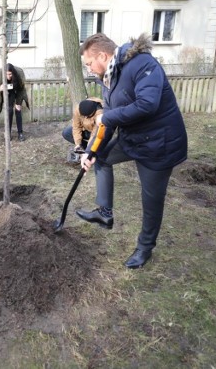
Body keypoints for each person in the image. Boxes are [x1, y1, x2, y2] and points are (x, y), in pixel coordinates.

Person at [76, 33, 187, 269]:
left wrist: (108, 117)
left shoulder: (142, 64)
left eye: (88, 64)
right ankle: (105, 213)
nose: (88, 69)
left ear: (102, 56)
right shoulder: (108, 79)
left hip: (159, 145)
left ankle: (145, 247)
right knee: (102, 158)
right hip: (134, 140)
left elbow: (147, 104)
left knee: (151, 199)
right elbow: (108, 122)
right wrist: (91, 151)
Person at [62, 97, 104, 162]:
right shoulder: (78, 109)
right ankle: (84, 150)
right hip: (86, 130)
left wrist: (88, 150)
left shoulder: (100, 113)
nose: (85, 118)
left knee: (96, 146)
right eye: (83, 116)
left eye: (88, 116)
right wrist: (78, 144)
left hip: (98, 133)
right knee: (66, 133)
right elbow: (76, 127)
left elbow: (94, 134)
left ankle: (92, 152)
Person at [0, 63, 30, 141]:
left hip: (17, 91)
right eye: (7, 74)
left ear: (13, 73)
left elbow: (21, 89)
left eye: (10, 74)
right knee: (9, 111)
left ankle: (20, 133)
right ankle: (8, 133)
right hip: (8, 93)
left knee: (18, 110)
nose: (8, 76)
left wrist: (18, 103)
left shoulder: (19, 73)